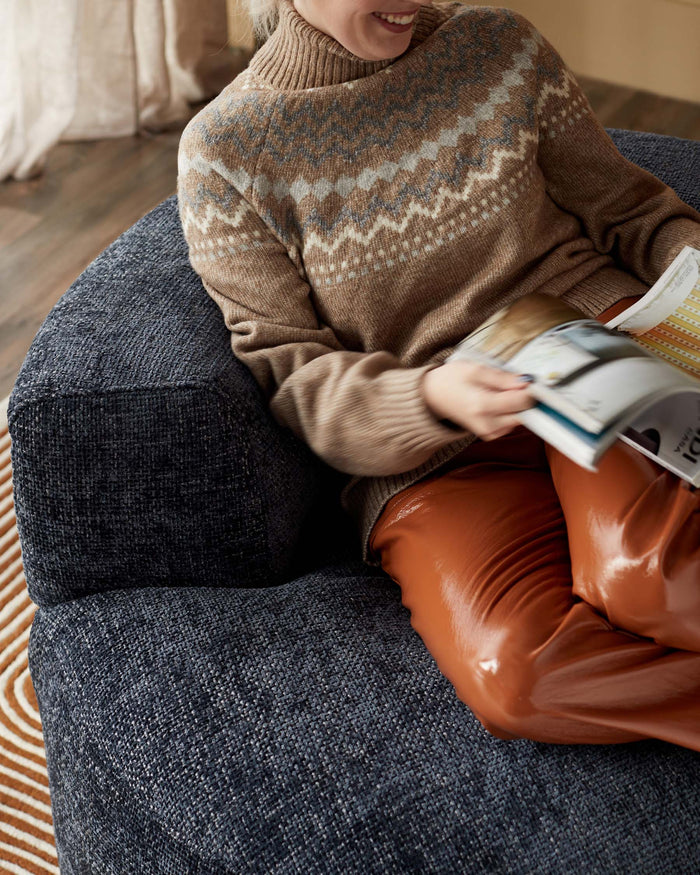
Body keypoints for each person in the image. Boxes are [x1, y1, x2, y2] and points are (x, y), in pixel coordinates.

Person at [177, 0, 700, 750]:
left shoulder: (496, 45)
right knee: (520, 677)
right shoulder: (225, 153)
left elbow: (632, 210)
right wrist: (428, 398)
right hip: (429, 452)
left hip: (575, 342)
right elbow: (297, 377)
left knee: (652, 576)